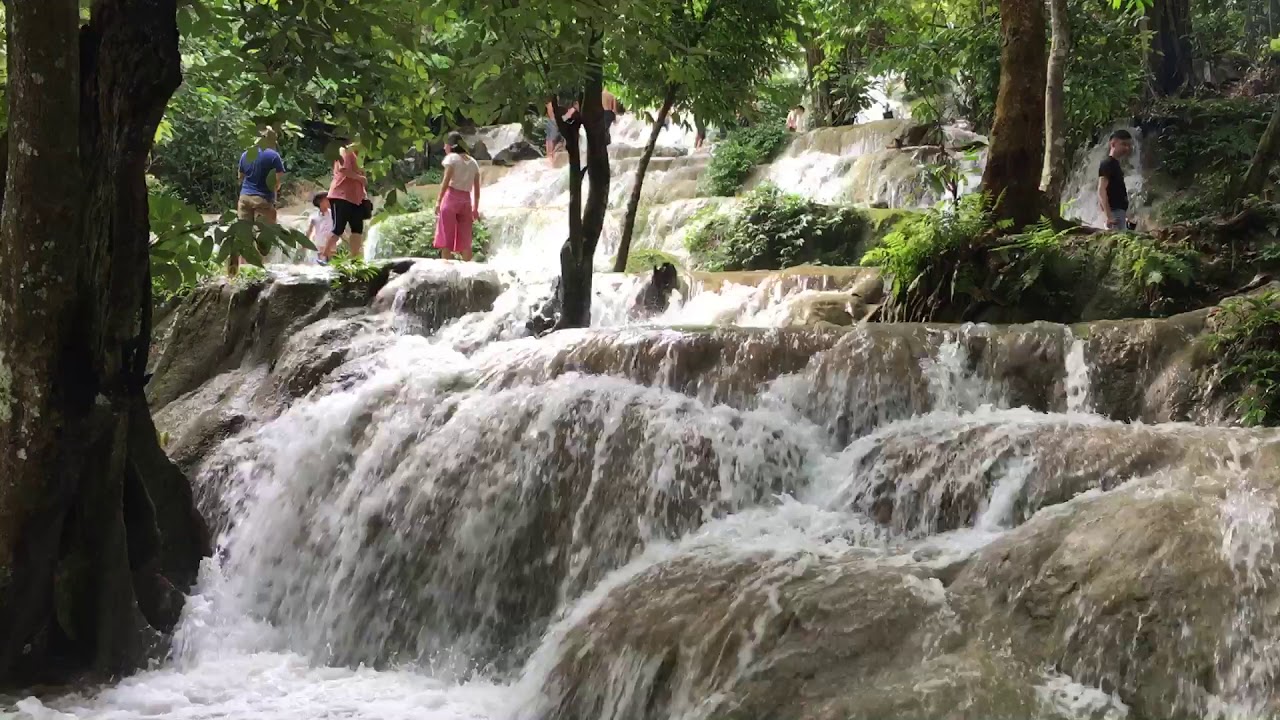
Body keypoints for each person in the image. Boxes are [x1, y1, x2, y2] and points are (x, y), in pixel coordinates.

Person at [230, 127, 285, 277]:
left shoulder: (246, 154)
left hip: (245, 198)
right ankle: (257, 270)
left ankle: (233, 272)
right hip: (263, 200)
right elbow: (278, 181)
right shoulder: (273, 156)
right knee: (264, 238)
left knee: (243, 235)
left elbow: (240, 177)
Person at [434, 132, 481, 262]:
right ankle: (468, 270)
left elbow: (446, 181)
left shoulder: (452, 158)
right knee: (465, 239)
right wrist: (475, 208)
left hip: (451, 198)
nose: (444, 147)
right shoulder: (473, 162)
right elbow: (477, 188)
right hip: (466, 200)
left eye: (446, 144)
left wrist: (438, 201)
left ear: (450, 145)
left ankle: (445, 267)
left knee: (446, 236)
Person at [323, 140, 368, 261]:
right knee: (338, 228)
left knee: (357, 228)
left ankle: (355, 257)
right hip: (341, 196)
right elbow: (344, 169)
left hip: (356, 198)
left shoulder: (358, 158)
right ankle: (324, 255)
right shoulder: (346, 151)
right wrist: (360, 178)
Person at [1098, 129, 1134, 231]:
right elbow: (1101, 190)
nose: (1127, 148)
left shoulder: (1116, 164)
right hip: (1114, 213)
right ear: (1113, 144)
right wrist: (1109, 216)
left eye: (1128, 145)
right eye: (1123, 144)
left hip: (1119, 213)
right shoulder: (1107, 163)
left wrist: (1126, 216)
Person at [307, 191, 334, 264]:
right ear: (320, 202)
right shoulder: (314, 217)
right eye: (327, 199)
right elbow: (309, 231)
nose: (329, 201)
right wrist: (305, 243)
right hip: (319, 246)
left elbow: (339, 229)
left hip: (331, 246)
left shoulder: (334, 214)